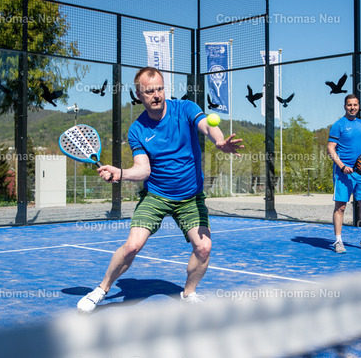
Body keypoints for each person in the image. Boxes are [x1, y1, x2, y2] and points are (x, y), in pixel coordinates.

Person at [77, 67, 243, 312]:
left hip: (190, 197)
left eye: (160, 89)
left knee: (204, 247)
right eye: (149, 91)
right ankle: (101, 290)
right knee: (132, 245)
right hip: (156, 195)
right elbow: (143, 170)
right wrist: (121, 173)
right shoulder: (137, 130)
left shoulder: (185, 109)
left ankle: (189, 293)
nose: (156, 95)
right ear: (138, 95)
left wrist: (218, 141)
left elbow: (207, 125)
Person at [327, 94, 361, 253]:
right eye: (349, 105)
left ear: (358, 106)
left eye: (355, 105)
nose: (352, 108)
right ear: (345, 106)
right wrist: (342, 166)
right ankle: (338, 241)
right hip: (343, 173)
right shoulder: (338, 125)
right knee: (341, 207)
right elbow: (330, 148)